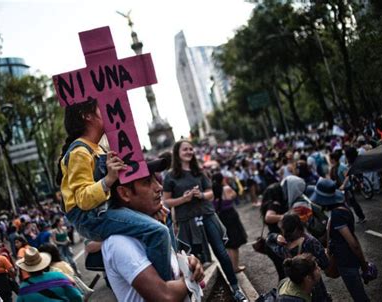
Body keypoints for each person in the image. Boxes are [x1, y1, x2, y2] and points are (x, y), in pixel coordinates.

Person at [56, 99, 172, 281]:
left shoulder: (99, 147)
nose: (107, 109)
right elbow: (82, 199)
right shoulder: (79, 151)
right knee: (157, 232)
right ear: (87, 116)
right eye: (100, 107)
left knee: (163, 216)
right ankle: (165, 288)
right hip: (91, 217)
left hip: (104, 210)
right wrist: (109, 178)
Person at [102, 158, 205, 302]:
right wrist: (191, 279)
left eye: (156, 180)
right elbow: (165, 297)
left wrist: (189, 264)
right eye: (147, 182)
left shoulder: (154, 226)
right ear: (125, 194)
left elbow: (172, 273)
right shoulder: (119, 242)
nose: (159, 187)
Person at [163, 140, 247, 301]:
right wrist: (184, 198)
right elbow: (167, 201)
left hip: (207, 215)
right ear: (177, 153)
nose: (189, 151)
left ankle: (236, 289)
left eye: (190, 149)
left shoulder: (199, 171)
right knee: (192, 259)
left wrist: (200, 195)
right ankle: (196, 295)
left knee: (221, 252)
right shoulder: (170, 176)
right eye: (185, 149)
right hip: (187, 221)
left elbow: (211, 194)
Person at [310, 178, 372, 302]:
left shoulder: (337, 215)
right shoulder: (342, 207)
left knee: (359, 296)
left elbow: (353, 243)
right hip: (349, 258)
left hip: (346, 261)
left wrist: (364, 265)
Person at [266, 214, 330, 302]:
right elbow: (325, 264)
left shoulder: (284, 247)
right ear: (299, 226)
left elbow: (269, 240)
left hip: (296, 287)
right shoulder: (310, 241)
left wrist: (276, 237)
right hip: (315, 287)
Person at [16, 247, 83, 301]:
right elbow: (76, 296)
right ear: (42, 264)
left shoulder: (23, 288)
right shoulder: (58, 276)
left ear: (26, 269)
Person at [212, 172, 248, 273]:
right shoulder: (226, 188)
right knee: (234, 243)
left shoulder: (212, 191)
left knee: (227, 242)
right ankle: (235, 267)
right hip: (230, 215)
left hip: (220, 217)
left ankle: (231, 266)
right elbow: (234, 195)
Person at [329, 151, 366, 223]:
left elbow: (347, 176)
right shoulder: (333, 167)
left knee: (353, 203)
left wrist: (343, 185)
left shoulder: (342, 166)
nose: (329, 160)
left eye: (330, 158)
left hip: (347, 188)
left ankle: (362, 217)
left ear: (333, 159)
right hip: (339, 189)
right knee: (344, 204)